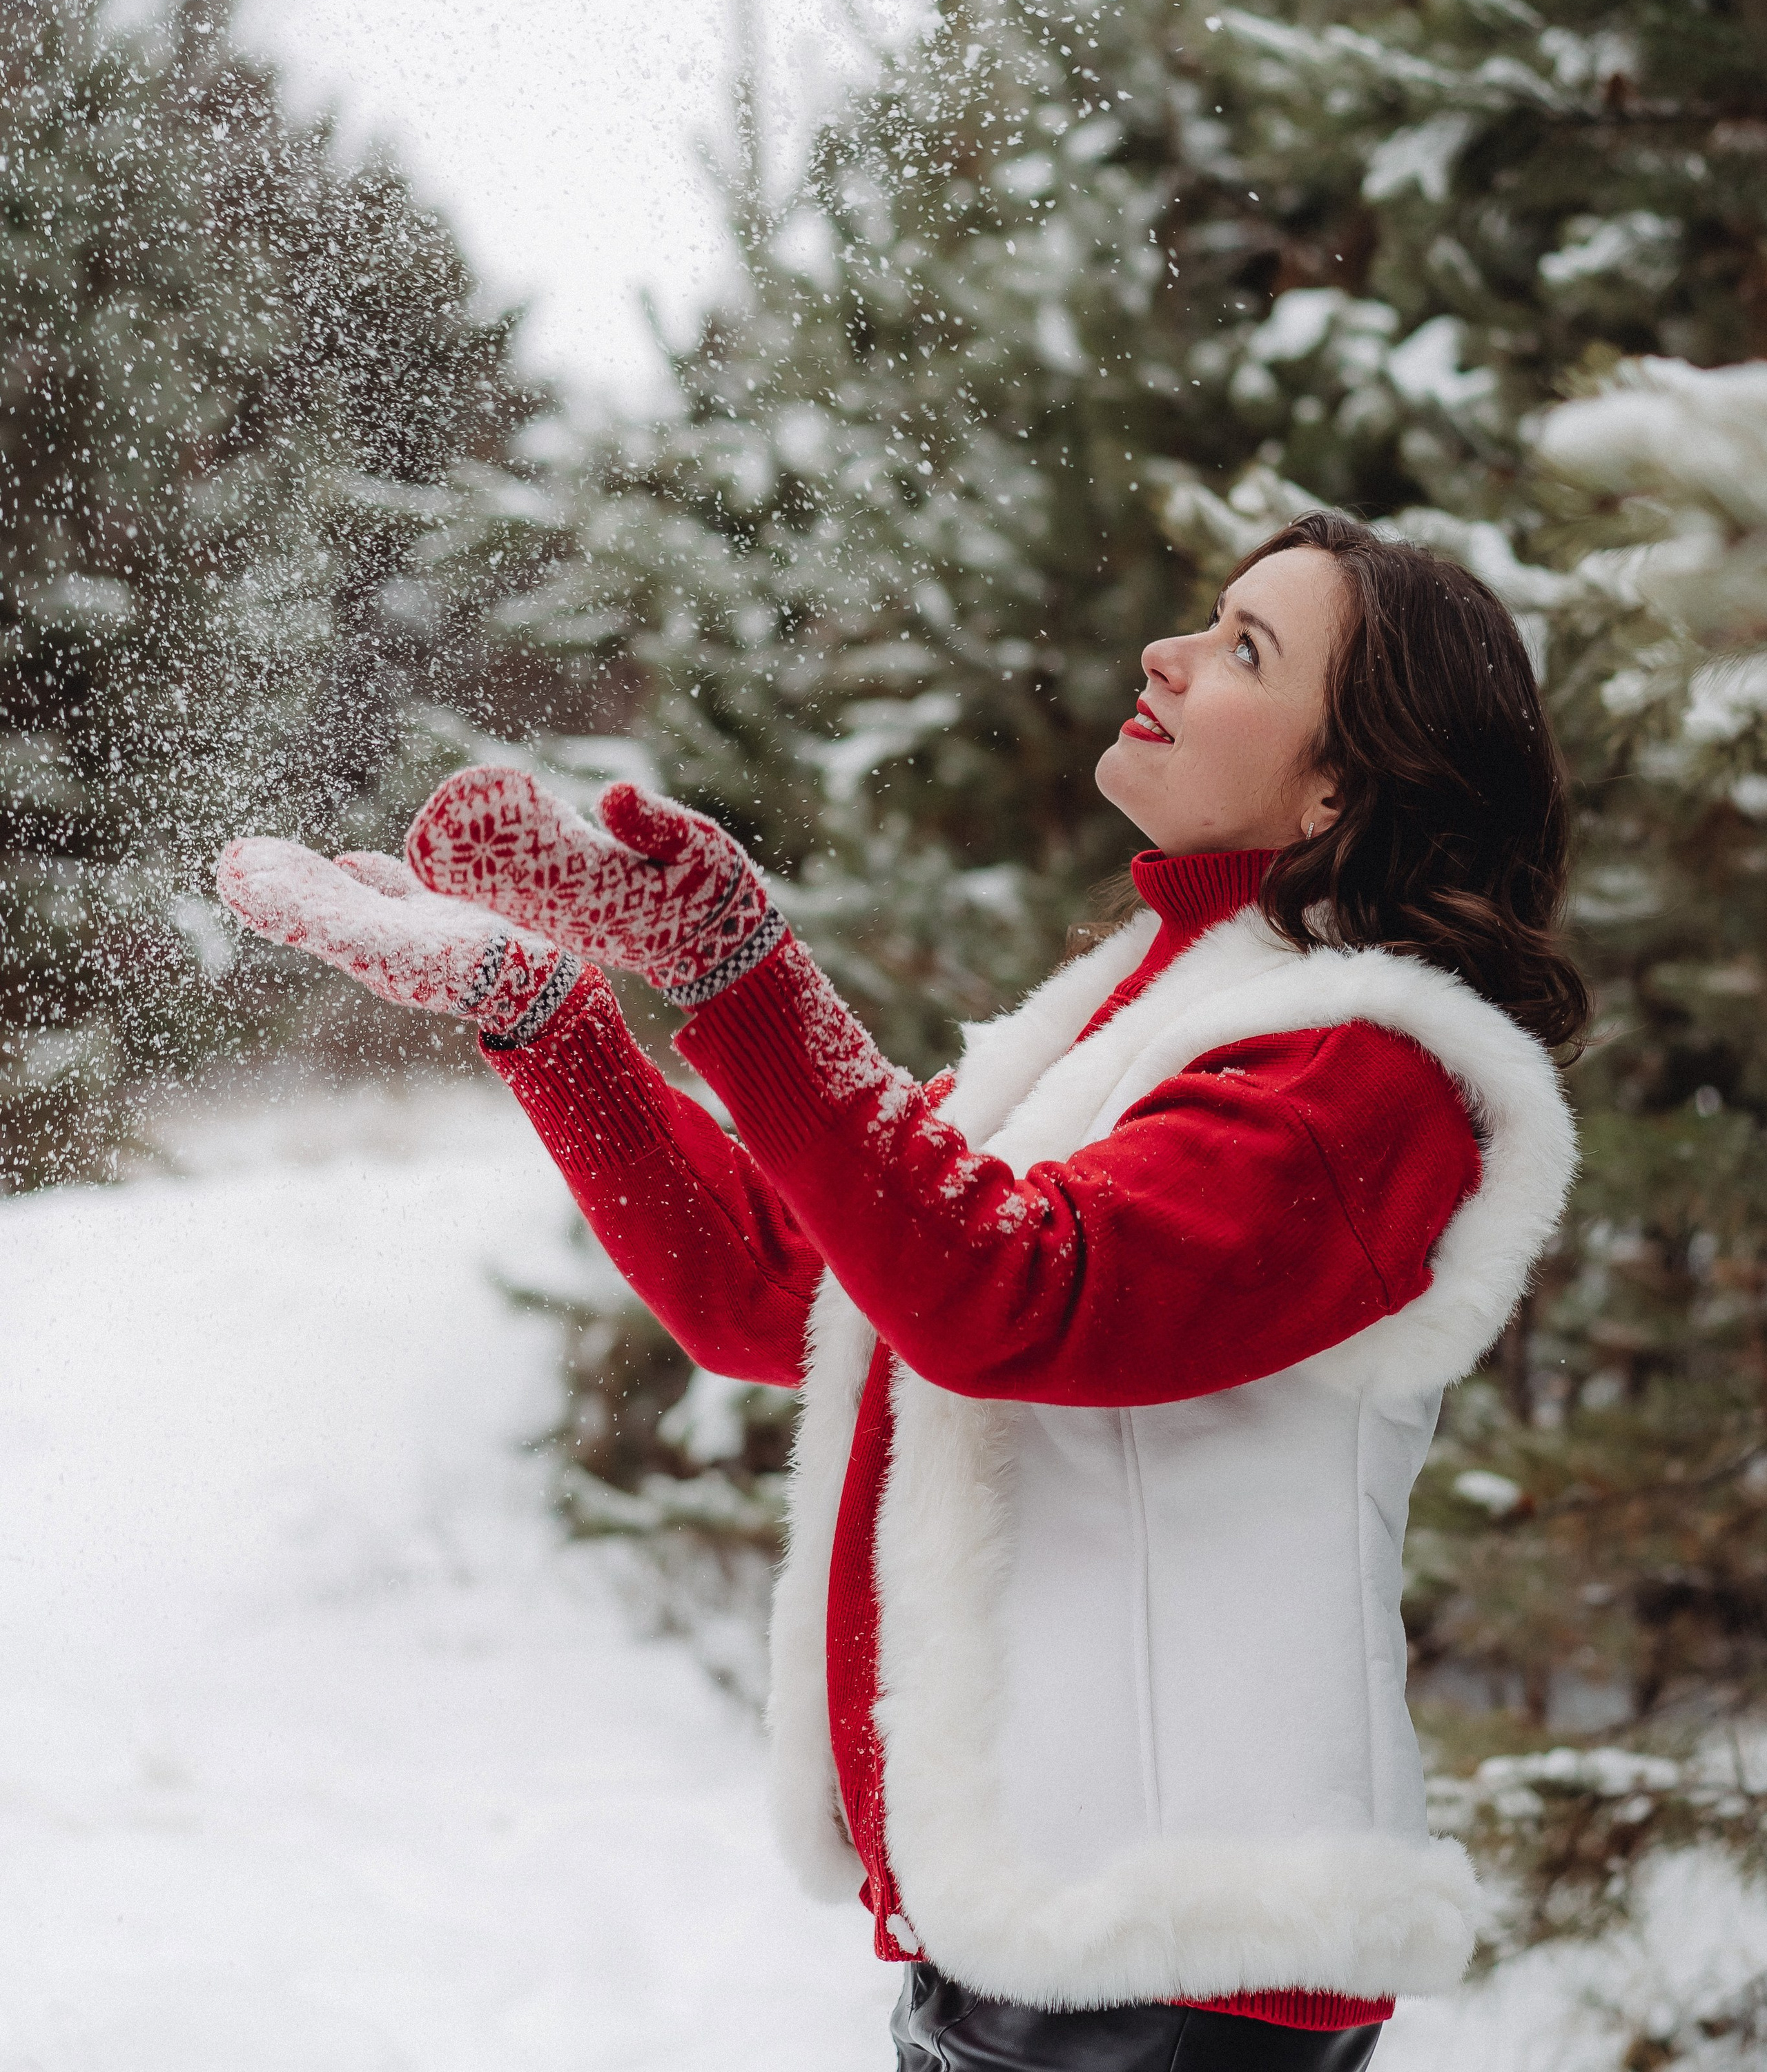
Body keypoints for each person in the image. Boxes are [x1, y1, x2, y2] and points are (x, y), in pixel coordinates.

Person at [217, 512, 1587, 2071]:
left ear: (1341, 780)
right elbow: (781, 1288)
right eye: (1206, 619)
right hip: (1021, 1941)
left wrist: (738, 972)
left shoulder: (1364, 1076)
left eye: (1242, 650)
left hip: (1179, 1962)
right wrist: (542, 1012)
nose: (1167, 652)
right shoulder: (1141, 1021)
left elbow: (1016, 1298)